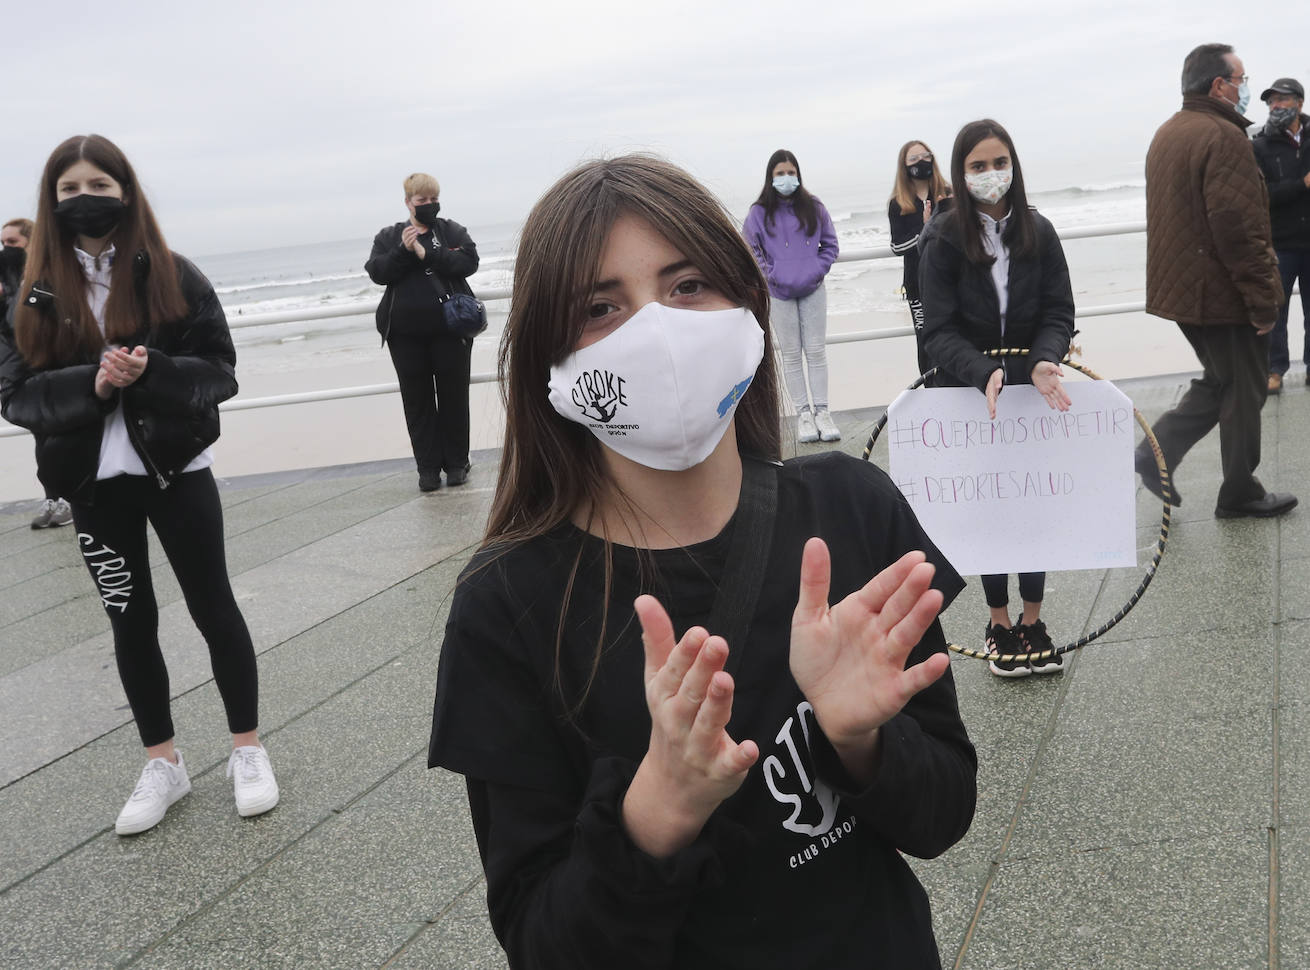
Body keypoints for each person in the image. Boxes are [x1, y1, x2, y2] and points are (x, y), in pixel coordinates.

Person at [428, 155, 976, 969]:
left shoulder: (853, 510)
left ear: (745, 305)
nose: (656, 329)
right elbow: (544, 944)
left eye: (687, 287)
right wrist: (657, 808)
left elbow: (942, 815)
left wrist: (862, 741)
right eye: (599, 308)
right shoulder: (507, 605)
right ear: (550, 357)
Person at [0, 134, 279, 835]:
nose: (83, 199)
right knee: (130, 621)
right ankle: (164, 763)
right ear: (50, 200)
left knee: (214, 606)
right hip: (93, 488)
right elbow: (18, 396)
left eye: (98, 184)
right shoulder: (35, 291)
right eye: (68, 189)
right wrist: (90, 385)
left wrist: (151, 371)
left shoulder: (173, 275)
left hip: (178, 473)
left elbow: (220, 370)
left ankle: (247, 748)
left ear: (124, 191)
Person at [919, 119, 1075, 678]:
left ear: (1014, 166)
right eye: (978, 166)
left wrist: (1041, 361)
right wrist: (983, 371)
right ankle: (999, 623)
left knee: (1030, 506)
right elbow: (936, 330)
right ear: (961, 175)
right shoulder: (940, 239)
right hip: (970, 392)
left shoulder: (1040, 231)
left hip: (1034, 389)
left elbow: (1059, 312)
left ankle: (1034, 621)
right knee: (991, 507)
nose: (991, 175)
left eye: (999, 163)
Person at [1139, 43, 1296, 519]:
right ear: (1218, 86)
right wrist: (1264, 301)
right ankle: (1239, 491)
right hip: (1221, 292)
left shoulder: (1169, 132)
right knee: (1244, 388)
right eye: (1241, 79)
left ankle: (1156, 455)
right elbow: (1239, 229)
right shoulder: (1224, 137)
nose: (1245, 88)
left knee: (1223, 382)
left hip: (1185, 290)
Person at [365, 174, 480, 492]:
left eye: (433, 199)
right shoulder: (389, 236)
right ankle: (427, 470)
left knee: (454, 397)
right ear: (408, 202)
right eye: (422, 200)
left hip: (452, 330)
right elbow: (377, 272)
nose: (429, 205)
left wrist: (427, 254)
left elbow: (469, 262)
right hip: (404, 335)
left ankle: (457, 464)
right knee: (417, 402)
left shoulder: (451, 230)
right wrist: (404, 250)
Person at [0, 217, 73, 529]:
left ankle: (70, 499)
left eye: (12, 243)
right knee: (42, 438)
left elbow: (25, 319)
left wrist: (10, 293)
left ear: (31, 242)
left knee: (61, 436)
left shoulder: (50, 272)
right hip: (18, 370)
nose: (5, 249)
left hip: (51, 366)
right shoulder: (7, 276)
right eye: (3, 243)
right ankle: (54, 500)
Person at [742, 150, 842, 443]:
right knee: (790, 355)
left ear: (798, 174)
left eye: (790, 172)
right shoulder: (759, 212)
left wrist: (816, 270)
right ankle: (804, 416)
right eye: (780, 174)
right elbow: (751, 249)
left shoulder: (814, 206)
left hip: (813, 290)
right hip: (779, 295)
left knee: (815, 352)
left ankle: (822, 411)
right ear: (770, 177)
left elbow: (831, 245)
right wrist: (770, 274)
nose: (786, 178)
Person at [1252, 77, 1310, 393]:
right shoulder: (1260, 145)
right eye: (1271, 101)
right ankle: (1274, 370)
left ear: (1299, 102)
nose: (1275, 105)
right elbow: (1261, 195)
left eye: (1282, 99)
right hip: (1280, 243)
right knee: (1274, 311)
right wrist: (1301, 185)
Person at [888, 140, 953, 380]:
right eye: (913, 159)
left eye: (925, 156)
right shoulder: (898, 203)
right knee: (925, 337)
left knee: (954, 334)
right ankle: (930, 392)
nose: (921, 162)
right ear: (904, 166)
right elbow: (897, 246)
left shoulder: (947, 193)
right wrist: (925, 231)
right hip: (917, 284)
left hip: (951, 279)